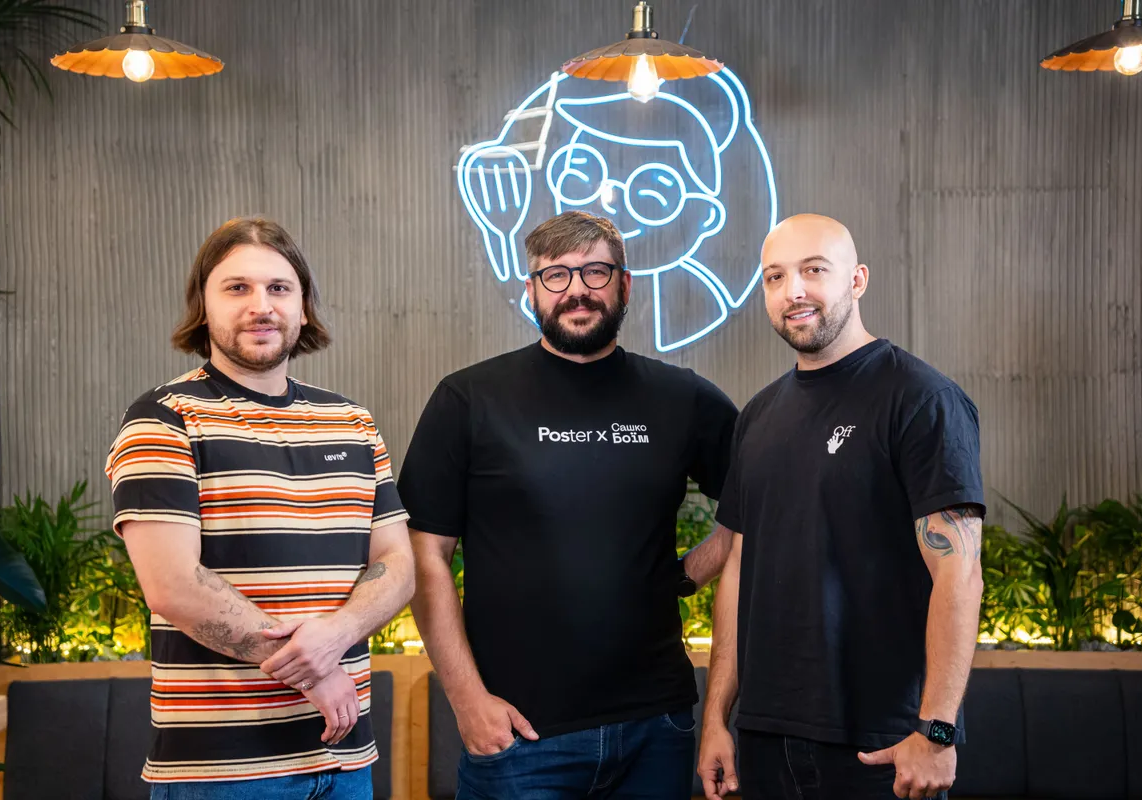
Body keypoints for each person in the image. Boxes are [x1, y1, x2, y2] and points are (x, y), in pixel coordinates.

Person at [398, 210, 740, 798]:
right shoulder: (469, 399)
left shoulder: (681, 398)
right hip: (520, 737)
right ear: (532, 290)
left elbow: (758, 506)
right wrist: (467, 699)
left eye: (595, 272)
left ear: (625, 285)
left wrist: (688, 573)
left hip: (657, 726)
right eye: (555, 275)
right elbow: (424, 555)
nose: (576, 289)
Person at [104, 217, 414, 799]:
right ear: (203, 306)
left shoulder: (351, 421)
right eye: (237, 287)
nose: (261, 305)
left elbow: (397, 563)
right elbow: (173, 586)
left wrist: (338, 634)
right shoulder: (163, 419)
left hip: (347, 762)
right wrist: (315, 673)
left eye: (278, 288)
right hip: (221, 773)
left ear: (303, 307)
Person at [697, 214, 985, 800]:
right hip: (763, 737)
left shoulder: (920, 398)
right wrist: (717, 719)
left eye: (813, 270)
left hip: (882, 744)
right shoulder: (758, 416)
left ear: (857, 280)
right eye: (775, 277)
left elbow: (959, 572)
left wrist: (936, 731)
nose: (793, 291)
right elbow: (739, 569)